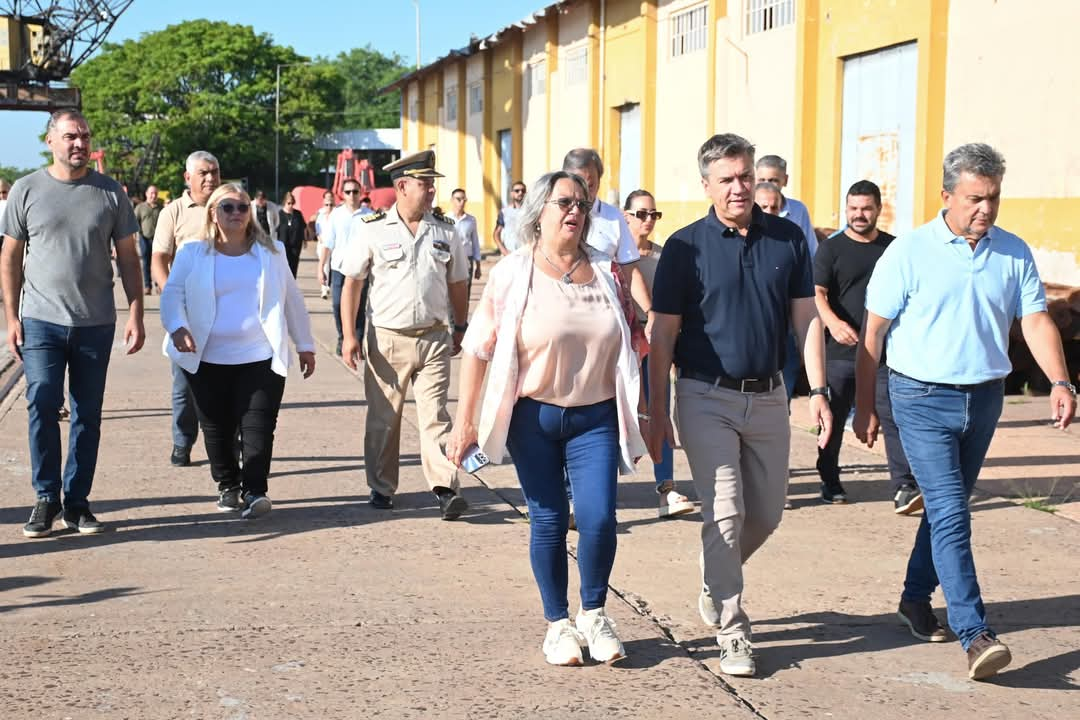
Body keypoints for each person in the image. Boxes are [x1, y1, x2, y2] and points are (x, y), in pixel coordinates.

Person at [854, 143, 1076, 681]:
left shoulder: (1013, 251)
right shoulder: (908, 252)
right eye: (975, 198)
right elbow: (874, 332)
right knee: (953, 511)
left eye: (993, 198)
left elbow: (1035, 320)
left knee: (942, 512)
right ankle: (974, 633)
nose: (986, 209)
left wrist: (1061, 380)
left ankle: (913, 599)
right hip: (920, 396)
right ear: (947, 195)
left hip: (984, 398)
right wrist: (864, 406)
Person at [648, 133, 832, 677]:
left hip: (771, 396)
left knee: (767, 515)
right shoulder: (685, 247)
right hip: (706, 395)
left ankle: (714, 575)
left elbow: (807, 318)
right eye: (726, 179)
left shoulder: (788, 239)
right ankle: (732, 629)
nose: (739, 187)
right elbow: (662, 335)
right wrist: (656, 410)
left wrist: (818, 391)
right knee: (725, 513)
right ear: (706, 184)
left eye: (746, 176)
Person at [447, 171, 647, 666]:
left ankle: (594, 613)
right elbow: (476, 348)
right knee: (549, 518)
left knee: (600, 518)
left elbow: (633, 336)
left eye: (582, 203)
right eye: (565, 202)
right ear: (539, 212)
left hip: (596, 416)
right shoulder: (513, 272)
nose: (575, 211)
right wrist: (464, 421)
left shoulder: (605, 272)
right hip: (533, 418)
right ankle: (558, 623)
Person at [0, 109, 146, 537]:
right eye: (70, 136)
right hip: (41, 320)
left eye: (84, 135)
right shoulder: (26, 190)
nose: (78, 143)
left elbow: (129, 258)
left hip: (94, 322)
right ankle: (46, 498)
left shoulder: (110, 192)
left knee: (87, 414)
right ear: (50, 141)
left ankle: (77, 503)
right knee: (42, 401)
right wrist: (11, 315)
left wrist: (135, 310)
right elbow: (9, 257)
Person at [160, 184, 316, 519]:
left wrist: (305, 345)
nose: (235, 213)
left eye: (242, 207)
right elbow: (171, 294)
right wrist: (177, 326)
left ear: (251, 213)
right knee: (215, 428)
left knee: (259, 426)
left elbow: (292, 300)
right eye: (227, 207)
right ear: (213, 214)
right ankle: (228, 484)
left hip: (259, 355)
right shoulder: (192, 252)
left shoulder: (271, 251)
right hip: (206, 357)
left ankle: (256, 491)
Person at [339, 150, 470, 520]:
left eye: (432, 184)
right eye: (425, 184)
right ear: (402, 186)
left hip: (433, 338)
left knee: (436, 417)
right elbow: (352, 283)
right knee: (384, 418)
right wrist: (350, 335)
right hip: (387, 339)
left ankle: (445, 488)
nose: (431, 190)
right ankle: (381, 487)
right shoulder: (372, 228)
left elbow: (458, 282)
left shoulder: (446, 230)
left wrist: (460, 326)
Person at [814, 180, 918, 508]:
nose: (859, 215)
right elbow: (816, 293)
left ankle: (905, 487)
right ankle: (829, 480)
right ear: (846, 209)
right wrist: (833, 322)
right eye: (853, 209)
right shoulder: (831, 248)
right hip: (841, 352)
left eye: (866, 208)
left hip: (887, 354)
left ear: (878, 210)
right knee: (832, 418)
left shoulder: (895, 247)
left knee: (894, 418)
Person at [623, 189, 693, 519]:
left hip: (655, 346)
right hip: (621, 347)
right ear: (626, 217)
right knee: (617, 416)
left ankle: (666, 488)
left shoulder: (663, 256)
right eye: (641, 214)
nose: (648, 220)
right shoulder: (612, 255)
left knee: (657, 411)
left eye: (654, 214)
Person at [152, 150, 222, 467]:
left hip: (227, 310)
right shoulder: (174, 212)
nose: (210, 178)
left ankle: (227, 444)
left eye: (215, 172)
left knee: (228, 383)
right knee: (183, 384)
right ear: (188, 178)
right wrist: (172, 301)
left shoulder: (231, 205)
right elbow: (158, 259)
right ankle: (182, 441)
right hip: (188, 313)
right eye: (203, 173)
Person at [757, 154, 818, 402]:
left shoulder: (797, 211)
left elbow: (810, 255)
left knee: (787, 364)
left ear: (785, 180)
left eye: (773, 179)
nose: (768, 183)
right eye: (761, 178)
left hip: (790, 302)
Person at [320, 178, 367, 355]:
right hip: (339, 267)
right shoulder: (336, 215)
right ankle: (343, 337)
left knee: (359, 306)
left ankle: (358, 341)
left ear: (360, 193)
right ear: (343, 194)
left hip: (361, 270)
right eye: (348, 192)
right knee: (338, 304)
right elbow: (328, 243)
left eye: (355, 191)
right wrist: (321, 267)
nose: (352, 195)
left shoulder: (368, 215)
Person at [447, 188, 482, 297]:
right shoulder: (445, 219)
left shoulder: (471, 220)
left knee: (465, 292)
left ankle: (463, 314)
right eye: (458, 199)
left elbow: (475, 242)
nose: (462, 202)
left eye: (464, 199)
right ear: (452, 200)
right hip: (450, 259)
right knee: (449, 293)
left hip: (467, 259)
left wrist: (478, 266)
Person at [134, 185, 162, 295]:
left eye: (155, 193)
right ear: (146, 194)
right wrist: (136, 235)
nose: (153, 195)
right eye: (151, 193)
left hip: (158, 239)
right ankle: (147, 286)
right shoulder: (141, 207)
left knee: (157, 263)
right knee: (146, 262)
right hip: (144, 238)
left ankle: (158, 285)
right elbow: (134, 221)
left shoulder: (161, 208)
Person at [277, 191, 306, 278]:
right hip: (283, 243)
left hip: (296, 244)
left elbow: (303, 227)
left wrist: (305, 239)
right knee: (284, 264)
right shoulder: (279, 214)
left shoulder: (298, 214)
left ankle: (292, 282)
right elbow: (275, 229)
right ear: (284, 202)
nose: (290, 205)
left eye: (292, 203)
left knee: (294, 264)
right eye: (288, 203)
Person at [312, 190, 335, 299]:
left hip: (334, 245)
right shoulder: (320, 214)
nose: (329, 206)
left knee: (332, 266)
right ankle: (324, 289)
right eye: (326, 204)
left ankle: (330, 285)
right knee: (324, 266)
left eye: (331, 204)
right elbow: (317, 228)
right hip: (323, 244)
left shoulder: (337, 213)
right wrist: (319, 237)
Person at [493, 180, 526, 255]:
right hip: (509, 254)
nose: (520, 193)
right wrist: (503, 250)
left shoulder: (530, 212)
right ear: (512, 194)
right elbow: (496, 233)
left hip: (526, 254)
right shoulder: (504, 212)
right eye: (517, 191)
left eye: (523, 191)